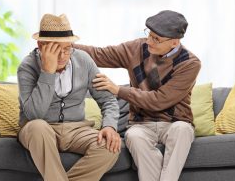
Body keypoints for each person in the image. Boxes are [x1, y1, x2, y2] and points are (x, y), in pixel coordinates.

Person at [74, 10, 201, 181]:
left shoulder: (190, 64)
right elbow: (99, 54)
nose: (149, 41)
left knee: (183, 130)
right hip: (142, 124)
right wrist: (66, 45)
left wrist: (118, 90)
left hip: (174, 123)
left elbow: (159, 100)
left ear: (174, 42)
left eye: (156, 39)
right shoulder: (136, 48)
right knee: (133, 136)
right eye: (149, 34)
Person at [17, 14, 121, 181]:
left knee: (109, 147)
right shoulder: (27, 67)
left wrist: (109, 126)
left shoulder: (84, 60)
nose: (63, 55)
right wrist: (47, 72)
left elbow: (107, 99)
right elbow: (33, 114)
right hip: (40, 130)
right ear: (41, 45)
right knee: (38, 127)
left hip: (77, 129)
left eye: (67, 49)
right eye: (56, 49)